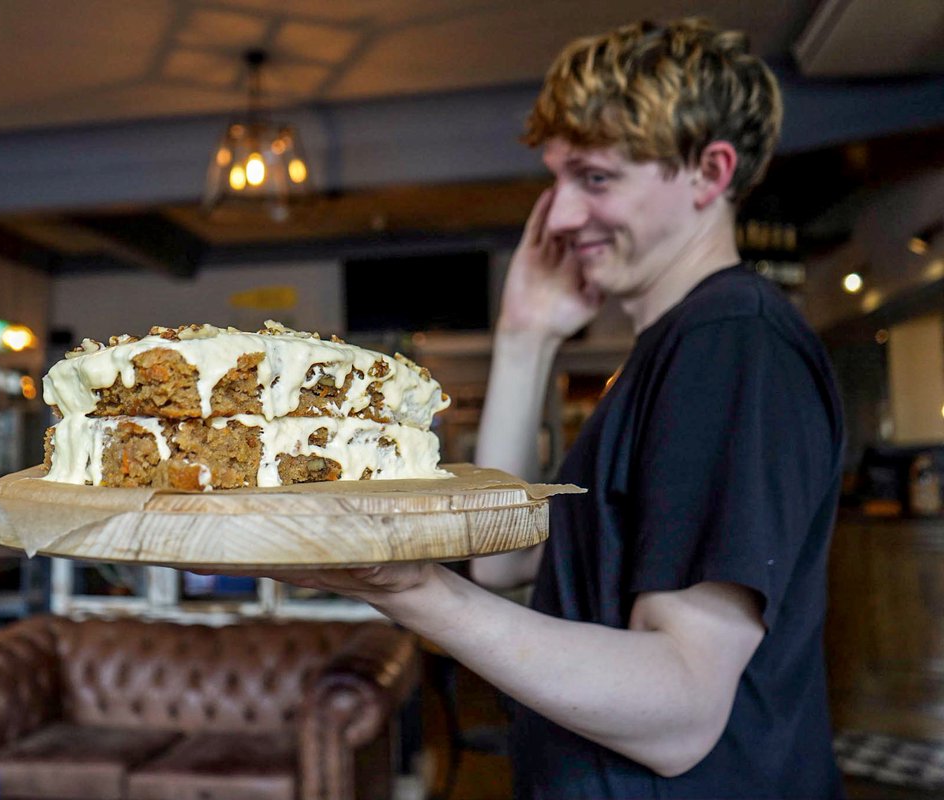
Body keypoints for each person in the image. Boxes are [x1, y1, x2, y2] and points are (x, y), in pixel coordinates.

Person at [266, 17, 845, 798]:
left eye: (595, 178)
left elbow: (681, 709)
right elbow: (505, 555)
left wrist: (408, 587)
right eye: (558, 179)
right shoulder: (675, 350)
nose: (562, 215)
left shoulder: (730, 340)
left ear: (709, 173)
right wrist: (524, 337)